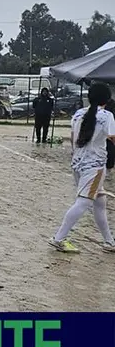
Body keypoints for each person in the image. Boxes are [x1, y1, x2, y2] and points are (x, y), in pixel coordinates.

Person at [49, 82, 115, 253]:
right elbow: (112, 138)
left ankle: (109, 241)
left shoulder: (78, 113)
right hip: (95, 166)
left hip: (78, 164)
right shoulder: (107, 116)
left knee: (100, 202)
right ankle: (59, 238)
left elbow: (73, 138)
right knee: (84, 202)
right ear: (106, 99)